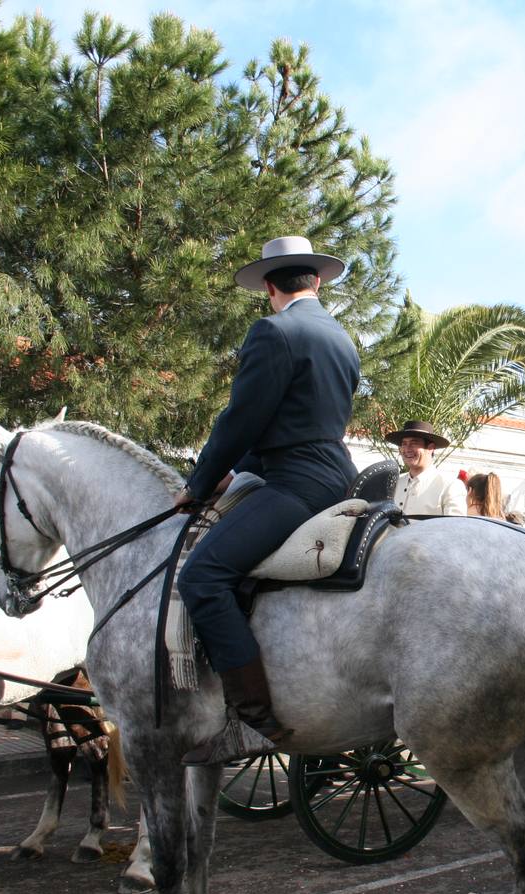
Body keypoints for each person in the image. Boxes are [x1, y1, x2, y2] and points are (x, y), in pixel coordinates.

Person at [174, 235, 360, 767]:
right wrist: (238, 471)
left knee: (202, 577)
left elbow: (242, 420)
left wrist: (200, 479)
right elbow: (298, 421)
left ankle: (253, 721)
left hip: (296, 483)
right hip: (331, 473)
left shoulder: (274, 331)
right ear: (317, 282)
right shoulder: (342, 339)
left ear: (270, 286)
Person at [389, 421, 466, 516]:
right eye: (404, 444)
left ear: (430, 448)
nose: (407, 449)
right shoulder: (394, 484)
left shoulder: (450, 486)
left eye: (414, 443)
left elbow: (454, 527)